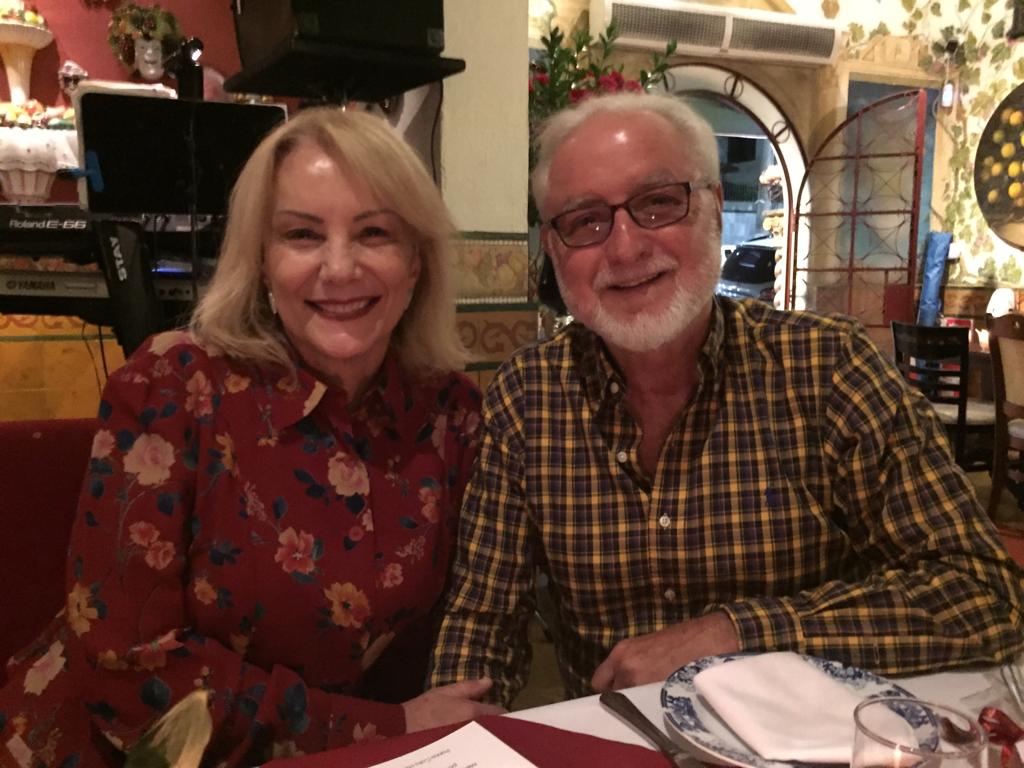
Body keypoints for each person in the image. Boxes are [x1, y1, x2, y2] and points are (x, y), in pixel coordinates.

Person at [429, 91, 1024, 706]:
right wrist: (457, 727)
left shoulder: (828, 368)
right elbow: (482, 621)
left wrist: (733, 634)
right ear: (554, 251)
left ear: (713, 208)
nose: (626, 248)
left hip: (812, 734)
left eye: (659, 203)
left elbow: (983, 593)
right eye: (585, 222)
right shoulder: (527, 396)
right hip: (618, 741)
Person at [0, 107, 502, 767]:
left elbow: (467, 623)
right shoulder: (172, 385)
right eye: (302, 234)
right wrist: (387, 728)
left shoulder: (453, 413)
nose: (339, 267)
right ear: (262, 261)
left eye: (375, 232)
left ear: (416, 264)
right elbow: (128, 666)